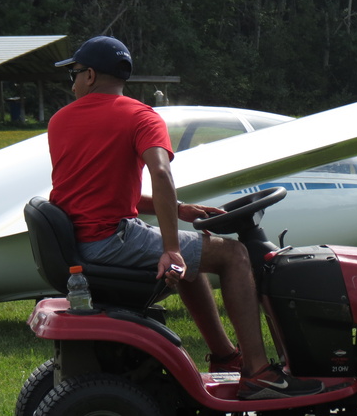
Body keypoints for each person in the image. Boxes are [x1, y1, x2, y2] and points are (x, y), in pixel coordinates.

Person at [48, 36, 324, 399]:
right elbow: (161, 173)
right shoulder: (141, 116)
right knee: (234, 255)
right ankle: (259, 373)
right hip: (108, 239)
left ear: (90, 75)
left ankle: (227, 358)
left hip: (88, 237)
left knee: (196, 255)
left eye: (74, 72)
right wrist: (172, 249)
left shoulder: (60, 121)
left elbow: (103, 190)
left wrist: (178, 212)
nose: (72, 80)